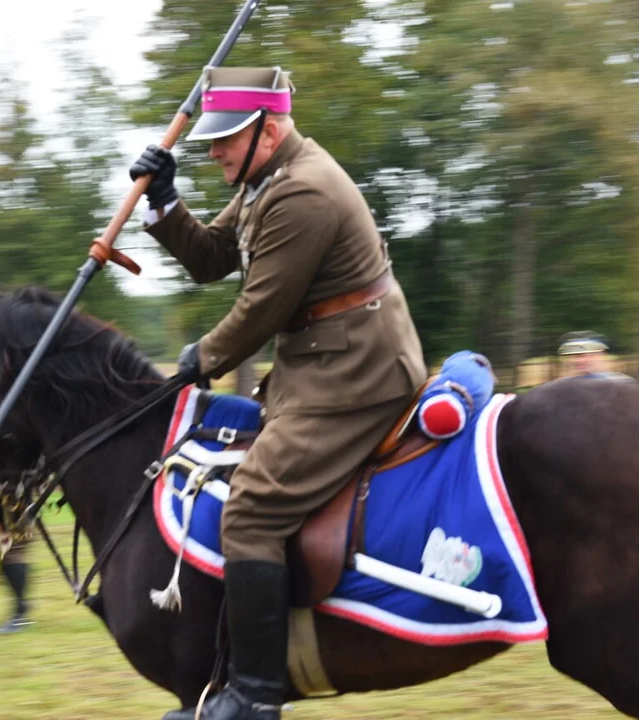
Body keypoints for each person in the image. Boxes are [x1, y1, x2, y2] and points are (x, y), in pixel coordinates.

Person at [130, 66, 426, 720]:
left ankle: (256, 698)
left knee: (252, 510)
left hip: (357, 377)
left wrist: (196, 359)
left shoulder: (303, 193)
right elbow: (211, 257)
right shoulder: (268, 180)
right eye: (209, 141)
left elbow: (261, 309)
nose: (213, 152)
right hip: (316, 369)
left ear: (268, 130)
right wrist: (165, 201)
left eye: (225, 138)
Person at [557, 332, 633, 381]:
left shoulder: (621, 384)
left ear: (602, 356)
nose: (581, 361)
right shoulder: (559, 388)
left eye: (590, 355)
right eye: (575, 356)